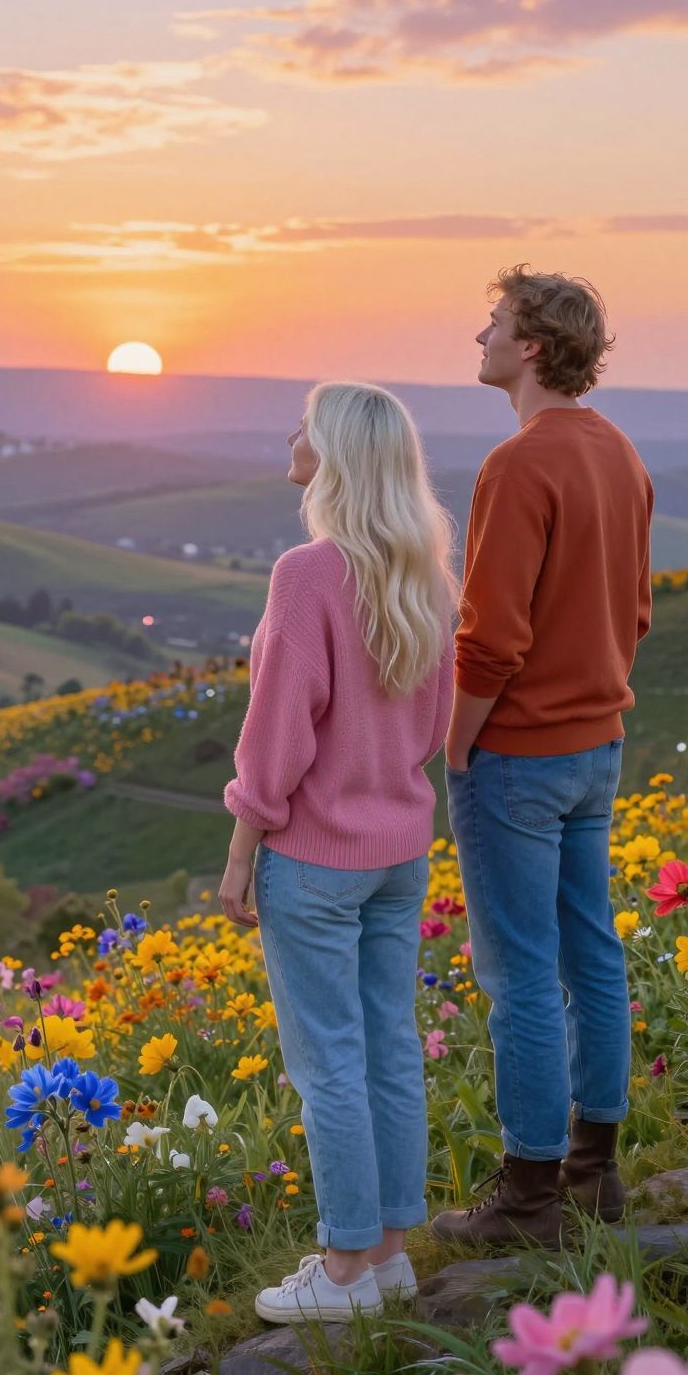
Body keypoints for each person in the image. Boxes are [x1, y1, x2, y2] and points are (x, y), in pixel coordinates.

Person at [219, 381, 457, 1322]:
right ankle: (391, 1250)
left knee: (327, 1063)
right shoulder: (429, 574)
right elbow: (432, 726)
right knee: (390, 1046)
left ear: (340, 457)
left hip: (315, 858)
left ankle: (346, 1266)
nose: (291, 437)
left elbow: (275, 735)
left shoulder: (309, 573)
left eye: (307, 429)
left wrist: (243, 845)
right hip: (400, 849)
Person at [432, 266, 654, 1251]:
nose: (478, 332)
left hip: (518, 754)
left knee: (519, 973)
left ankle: (527, 1200)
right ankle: (594, 1174)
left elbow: (488, 639)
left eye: (494, 321)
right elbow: (636, 610)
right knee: (591, 952)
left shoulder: (517, 465)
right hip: (597, 743)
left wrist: (454, 742)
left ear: (531, 346)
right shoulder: (621, 454)